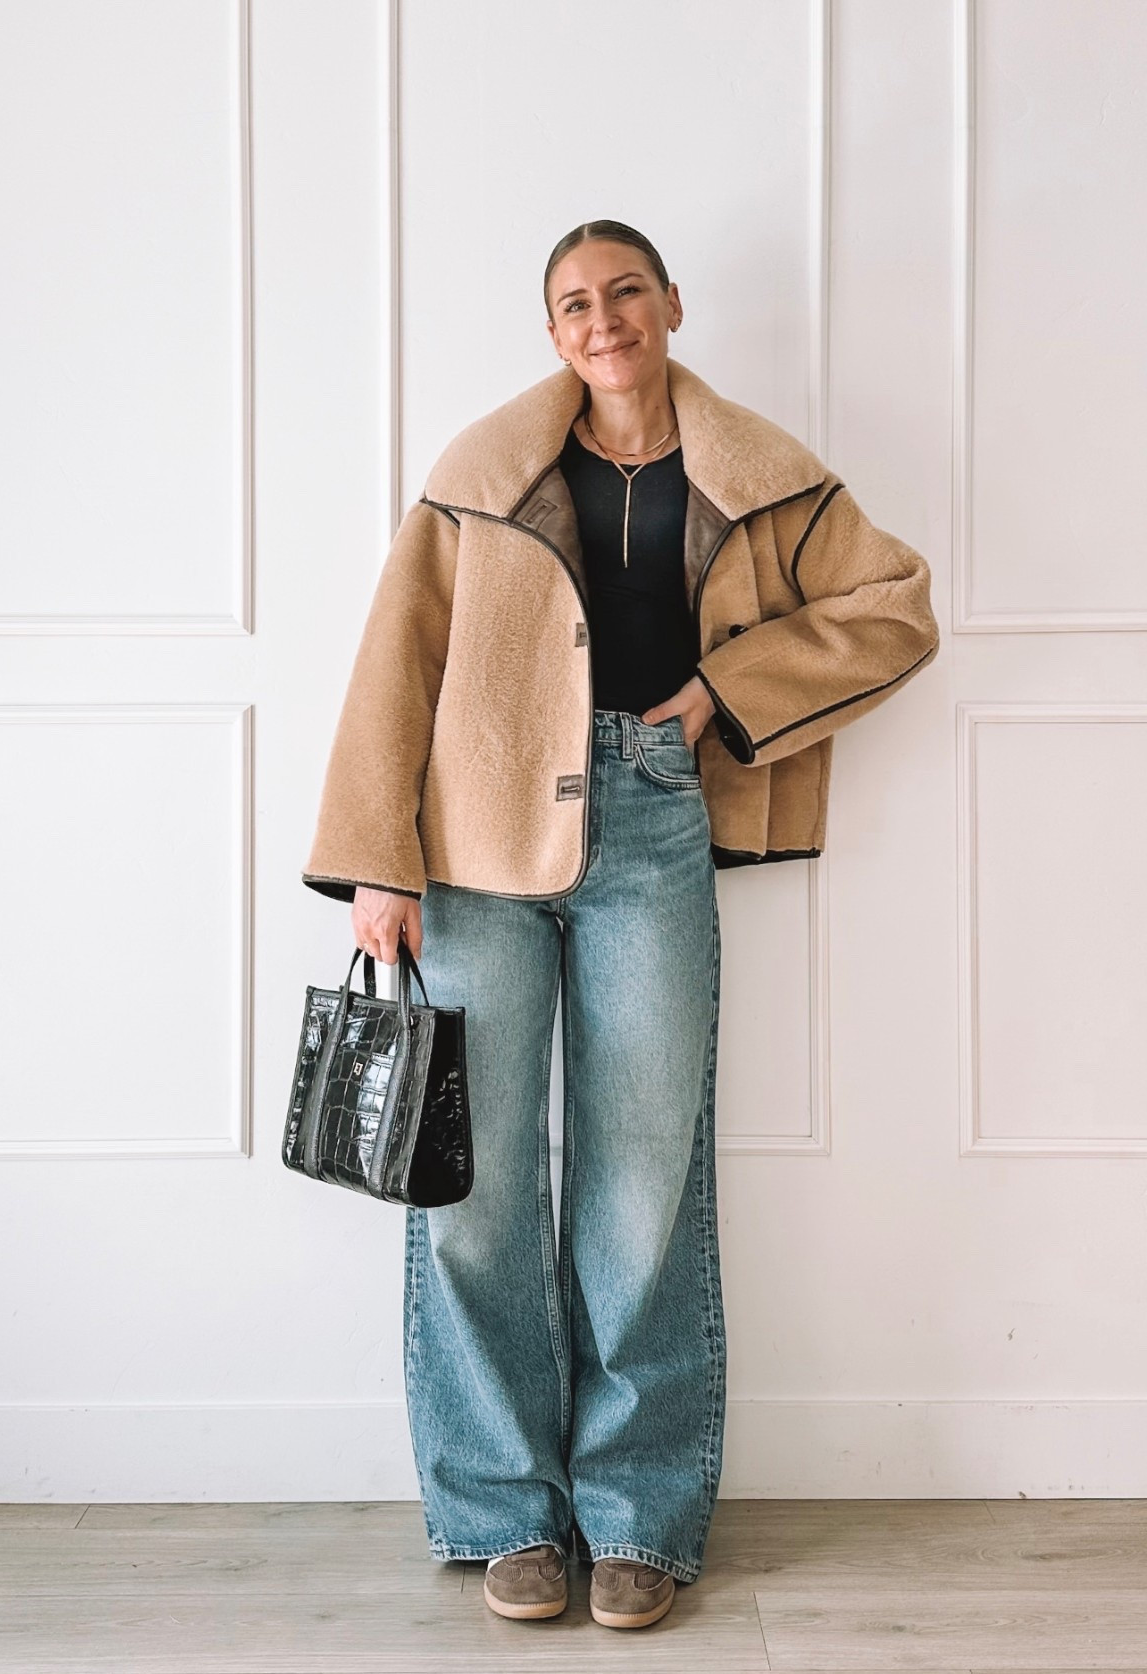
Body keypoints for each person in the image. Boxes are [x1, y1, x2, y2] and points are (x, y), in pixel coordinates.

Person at [302, 219, 940, 1629]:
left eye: (625, 293)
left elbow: (895, 603)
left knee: (642, 1183)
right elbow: (394, 663)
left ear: (669, 305)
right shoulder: (481, 480)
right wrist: (376, 861)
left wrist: (722, 694)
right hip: (475, 837)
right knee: (471, 1187)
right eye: (574, 303)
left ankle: (637, 1516)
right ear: (553, 332)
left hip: (655, 818)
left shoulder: (762, 477)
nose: (603, 320)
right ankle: (502, 1514)